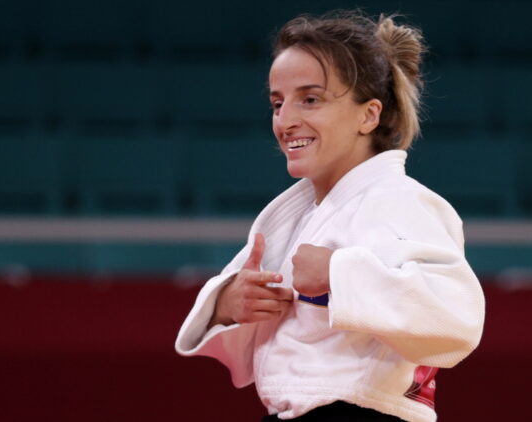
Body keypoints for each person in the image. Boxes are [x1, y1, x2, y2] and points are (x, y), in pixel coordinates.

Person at [175, 10, 485, 422]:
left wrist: (338, 274)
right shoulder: (300, 213)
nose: (285, 120)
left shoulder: (399, 200)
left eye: (311, 99)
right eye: (276, 102)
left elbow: (457, 316)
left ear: (368, 115)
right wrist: (230, 305)